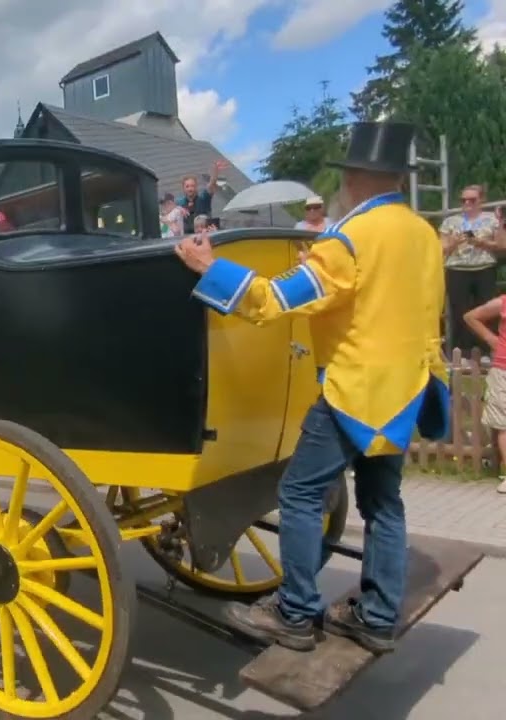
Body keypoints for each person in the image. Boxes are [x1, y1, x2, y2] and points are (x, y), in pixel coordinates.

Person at [175, 121, 449, 655]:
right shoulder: (422, 232)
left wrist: (211, 267)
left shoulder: (348, 239)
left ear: (358, 178)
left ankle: (295, 613)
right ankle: (375, 616)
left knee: (299, 493)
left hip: (354, 390)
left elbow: (276, 301)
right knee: (384, 503)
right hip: (406, 388)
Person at [440, 184, 501, 357]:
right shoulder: (450, 221)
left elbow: (500, 245)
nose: (467, 203)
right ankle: (464, 352)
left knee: (486, 309)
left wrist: (481, 243)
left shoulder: (492, 219)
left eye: (472, 200)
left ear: (481, 200)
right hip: (457, 269)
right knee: (460, 311)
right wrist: (454, 242)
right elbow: (442, 248)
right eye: (463, 200)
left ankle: (486, 350)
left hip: (484, 268)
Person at [462, 296, 506, 494]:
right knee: (504, 423)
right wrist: (491, 339)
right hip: (504, 369)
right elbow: (471, 317)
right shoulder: (504, 302)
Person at [178, 159, 227, 229]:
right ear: (183, 188)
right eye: (187, 186)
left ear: (196, 187)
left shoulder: (203, 198)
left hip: (204, 234)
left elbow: (211, 185)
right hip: (188, 237)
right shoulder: (180, 203)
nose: (190, 189)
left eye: (192, 186)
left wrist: (215, 172)